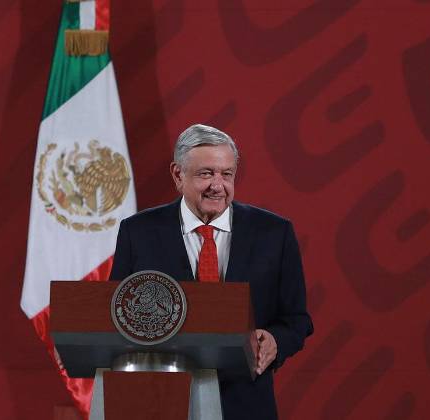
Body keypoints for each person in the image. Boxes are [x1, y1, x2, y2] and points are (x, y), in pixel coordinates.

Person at [110, 124, 313, 419]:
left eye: (226, 174)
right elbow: (116, 314)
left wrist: (275, 341)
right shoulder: (138, 232)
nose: (217, 185)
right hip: (159, 401)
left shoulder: (274, 233)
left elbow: (297, 320)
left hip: (245, 404)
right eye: (206, 174)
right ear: (178, 175)